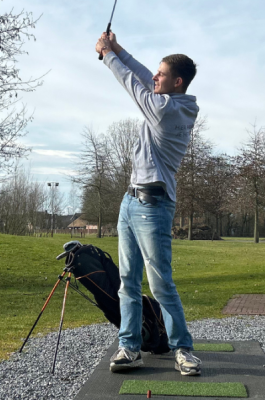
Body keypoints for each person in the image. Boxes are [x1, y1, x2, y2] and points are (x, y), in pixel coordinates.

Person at [95, 31, 202, 376]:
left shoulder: (168, 110)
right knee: (128, 281)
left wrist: (108, 56)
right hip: (129, 203)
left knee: (160, 284)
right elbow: (143, 76)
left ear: (177, 82)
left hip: (153, 207)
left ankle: (183, 349)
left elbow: (133, 84)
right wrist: (117, 48)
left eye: (162, 74)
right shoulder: (167, 98)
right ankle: (130, 347)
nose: (155, 77)